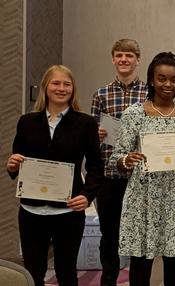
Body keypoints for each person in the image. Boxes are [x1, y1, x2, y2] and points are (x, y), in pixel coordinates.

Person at [108, 52, 175, 286]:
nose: (168, 84)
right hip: (143, 200)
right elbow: (116, 158)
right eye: (162, 78)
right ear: (152, 80)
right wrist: (127, 160)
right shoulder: (134, 114)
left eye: (173, 79)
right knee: (141, 266)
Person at [6, 65, 103, 286]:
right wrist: (12, 166)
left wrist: (87, 195)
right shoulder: (27, 122)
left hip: (68, 211)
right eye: (56, 83)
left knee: (66, 272)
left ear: (73, 89)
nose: (61, 88)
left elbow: (96, 165)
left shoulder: (85, 123)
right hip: (31, 211)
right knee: (33, 272)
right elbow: (18, 161)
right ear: (45, 87)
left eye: (66, 84)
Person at [90, 38, 147, 286]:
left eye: (129, 55)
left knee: (139, 235)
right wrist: (96, 134)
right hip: (109, 177)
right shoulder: (101, 94)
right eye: (119, 55)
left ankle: (138, 280)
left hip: (140, 177)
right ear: (113, 59)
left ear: (137, 60)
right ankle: (109, 279)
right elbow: (89, 135)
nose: (124, 59)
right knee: (109, 235)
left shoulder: (148, 93)